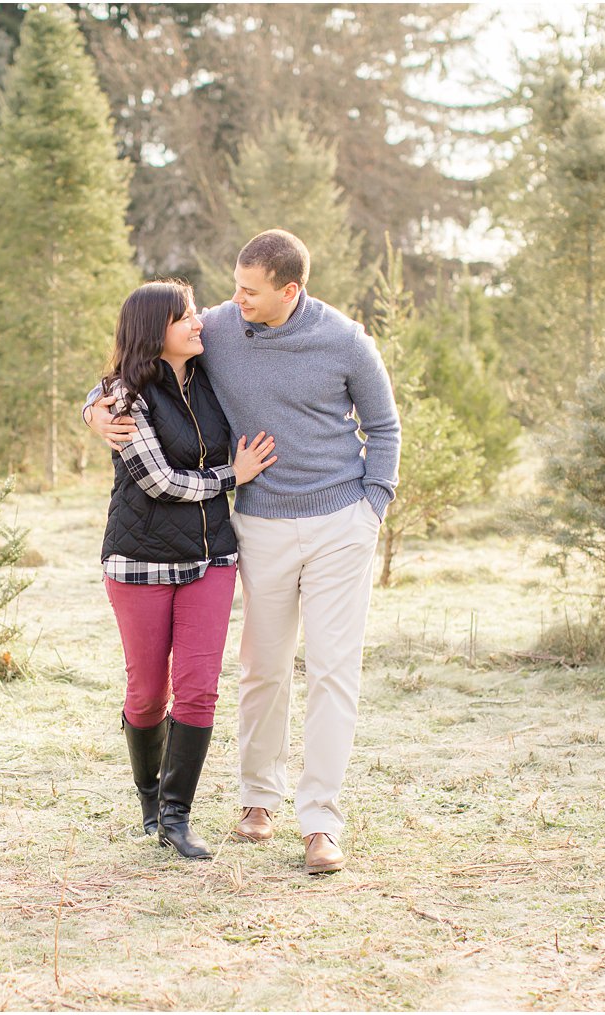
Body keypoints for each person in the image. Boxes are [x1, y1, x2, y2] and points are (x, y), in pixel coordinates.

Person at [85, 230, 401, 874]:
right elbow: (136, 365)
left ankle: (320, 822)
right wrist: (94, 409)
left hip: (342, 520)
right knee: (263, 668)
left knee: (335, 671)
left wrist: (373, 507)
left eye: (249, 290)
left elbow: (384, 427)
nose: (232, 301)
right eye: (234, 286)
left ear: (291, 290)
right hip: (258, 525)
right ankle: (258, 798)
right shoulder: (220, 330)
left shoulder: (344, 340)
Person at [99, 280, 277, 860]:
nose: (198, 325)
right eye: (185, 318)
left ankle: (177, 817)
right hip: (140, 562)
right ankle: (149, 799)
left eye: (198, 315)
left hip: (211, 556)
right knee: (149, 694)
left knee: (199, 690)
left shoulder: (208, 375)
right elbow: (160, 483)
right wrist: (234, 477)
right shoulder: (123, 396)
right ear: (157, 332)